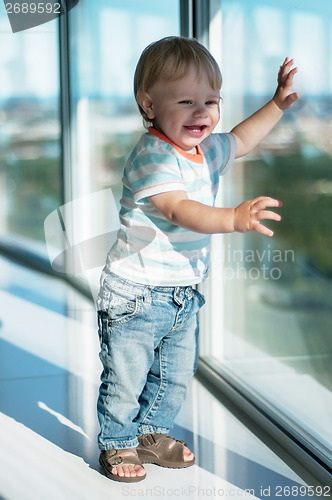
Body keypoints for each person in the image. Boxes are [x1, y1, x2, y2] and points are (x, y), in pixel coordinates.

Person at [96, 36, 299, 483]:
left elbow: (243, 139)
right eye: (186, 101)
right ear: (149, 105)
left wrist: (277, 104)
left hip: (182, 292)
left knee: (173, 375)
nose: (202, 112)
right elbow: (177, 209)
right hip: (136, 292)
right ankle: (116, 443)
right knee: (126, 377)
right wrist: (232, 217)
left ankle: (150, 434)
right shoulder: (152, 155)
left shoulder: (205, 150)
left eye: (211, 100)